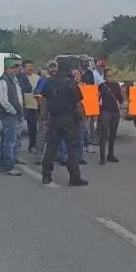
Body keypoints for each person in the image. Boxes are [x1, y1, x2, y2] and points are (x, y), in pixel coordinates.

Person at [40, 57, 89, 187]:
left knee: (51, 147)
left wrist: (44, 118)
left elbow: (44, 100)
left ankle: (46, 175)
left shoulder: (50, 82)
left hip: (54, 118)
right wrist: (83, 119)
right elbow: (78, 104)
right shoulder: (71, 83)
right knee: (71, 148)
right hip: (69, 119)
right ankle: (74, 177)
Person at [0, 58, 24, 176]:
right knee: (10, 141)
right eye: (12, 68)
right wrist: (13, 111)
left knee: (7, 140)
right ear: (7, 68)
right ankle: (8, 165)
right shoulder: (4, 80)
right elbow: (3, 100)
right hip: (8, 114)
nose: (15, 70)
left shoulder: (13, 79)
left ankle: (4, 164)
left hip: (13, 113)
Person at [97, 67, 124, 165]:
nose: (111, 77)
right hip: (105, 111)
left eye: (112, 75)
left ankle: (110, 155)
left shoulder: (116, 85)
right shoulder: (102, 86)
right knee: (103, 135)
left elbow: (120, 99)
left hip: (115, 112)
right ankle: (102, 157)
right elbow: (96, 99)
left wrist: (122, 109)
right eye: (108, 76)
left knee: (113, 134)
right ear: (105, 77)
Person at [32, 61, 56, 165]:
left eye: (55, 67)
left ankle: (54, 156)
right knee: (42, 134)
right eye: (51, 67)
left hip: (56, 112)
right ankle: (39, 156)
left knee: (55, 135)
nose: (53, 70)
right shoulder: (43, 81)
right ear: (47, 69)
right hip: (45, 111)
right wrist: (42, 112)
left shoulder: (59, 81)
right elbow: (38, 95)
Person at [21, 60, 41, 154]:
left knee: (32, 128)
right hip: (21, 106)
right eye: (28, 66)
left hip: (33, 106)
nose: (30, 68)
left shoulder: (37, 78)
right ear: (23, 68)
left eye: (31, 66)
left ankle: (32, 146)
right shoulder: (20, 77)